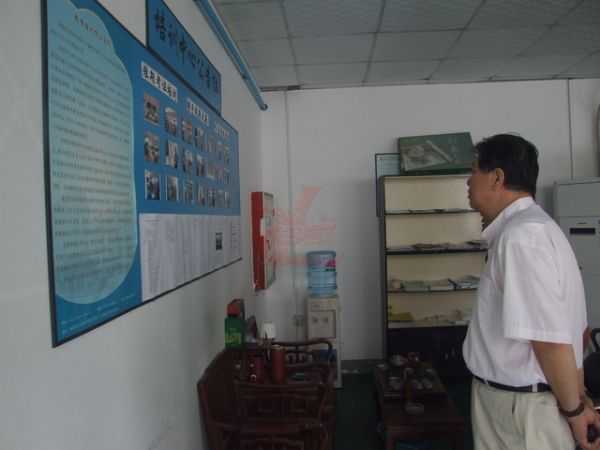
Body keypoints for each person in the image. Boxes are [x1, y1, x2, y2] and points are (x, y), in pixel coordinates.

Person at [462, 133, 600, 450]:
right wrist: (578, 397)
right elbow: (576, 333)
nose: (468, 182)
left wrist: (575, 411)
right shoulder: (533, 229)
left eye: (473, 171)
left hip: (521, 411)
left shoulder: (522, 238)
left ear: (497, 177)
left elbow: (549, 340)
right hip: (525, 402)